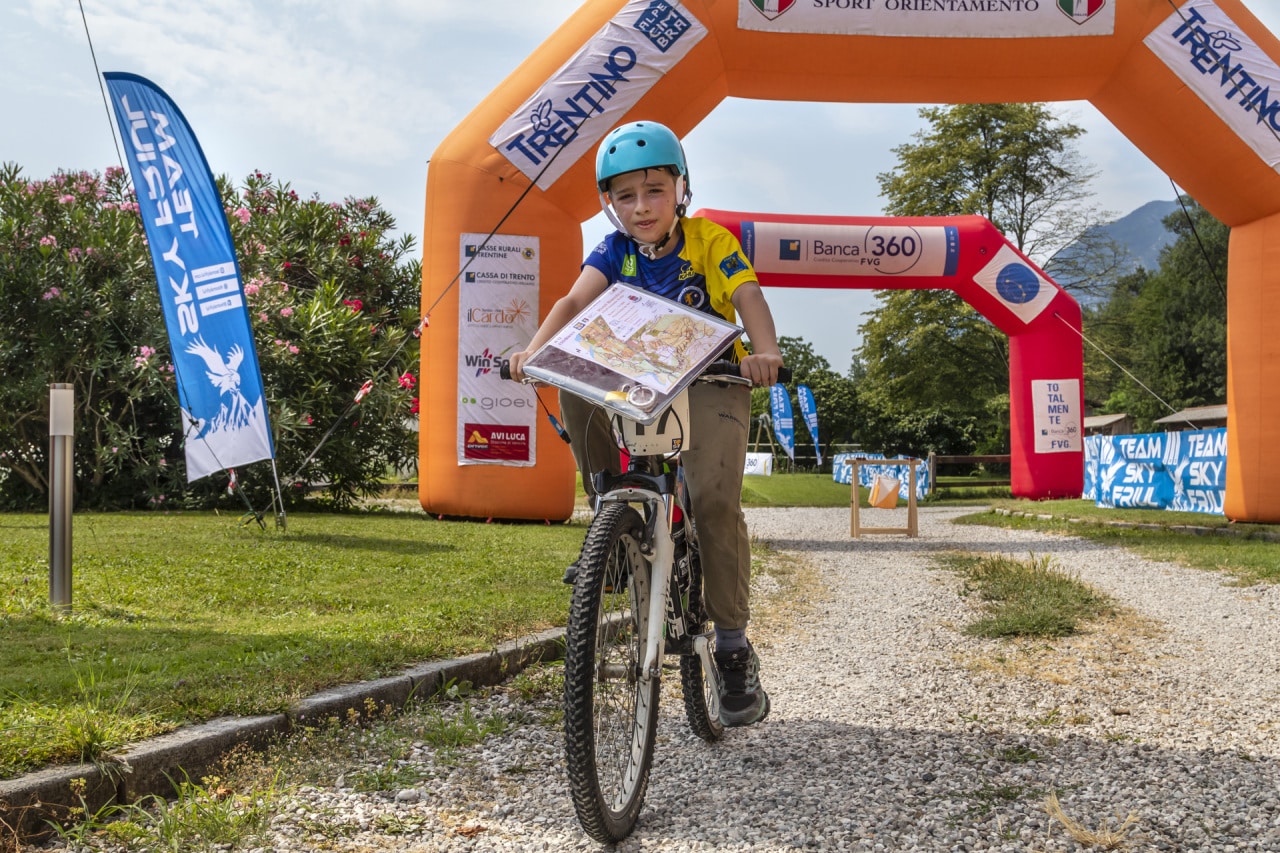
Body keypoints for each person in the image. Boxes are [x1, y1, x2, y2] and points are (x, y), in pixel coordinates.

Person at [509, 120, 782, 728]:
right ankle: (611, 513)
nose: (641, 207)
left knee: (713, 502)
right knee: (573, 375)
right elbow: (574, 303)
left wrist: (764, 351)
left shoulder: (709, 241)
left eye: (655, 190)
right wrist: (536, 350)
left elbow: (748, 296)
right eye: (625, 195)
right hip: (637, 385)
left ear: (681, 188)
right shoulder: (614, 251)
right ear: (609, 203)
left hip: (713, 380)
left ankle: (732, 646)